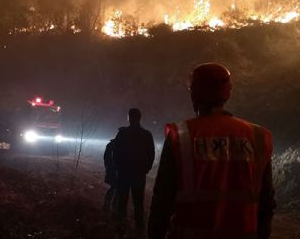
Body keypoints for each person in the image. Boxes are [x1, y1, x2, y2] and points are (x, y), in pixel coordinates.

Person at [148, 63, 276, 239]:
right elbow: (266, 203)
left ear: (194, 94)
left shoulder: (182, 136)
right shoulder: (257, 137)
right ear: (227, 93)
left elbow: (162, 201)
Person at [112, 108, 155, 237]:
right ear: (139, 118)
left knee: (122, 203)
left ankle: (121, 230)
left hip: (124, 173)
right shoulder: (147, 135)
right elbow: (151, 155)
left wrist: (118, 167)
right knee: (138, 203)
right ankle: (139, 230)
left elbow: (115, 153)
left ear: (129, 118)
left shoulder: (122, 133)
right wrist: (145, 169)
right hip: (138, 174)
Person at [103, 139, 117, 212]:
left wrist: (107, 167)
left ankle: (107, 204)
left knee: (114, 187)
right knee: (115, 187)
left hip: (113, 170)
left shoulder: (111, 144)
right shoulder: (122, 144)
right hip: (115, 170)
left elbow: (106, 158)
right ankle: (109, 205)